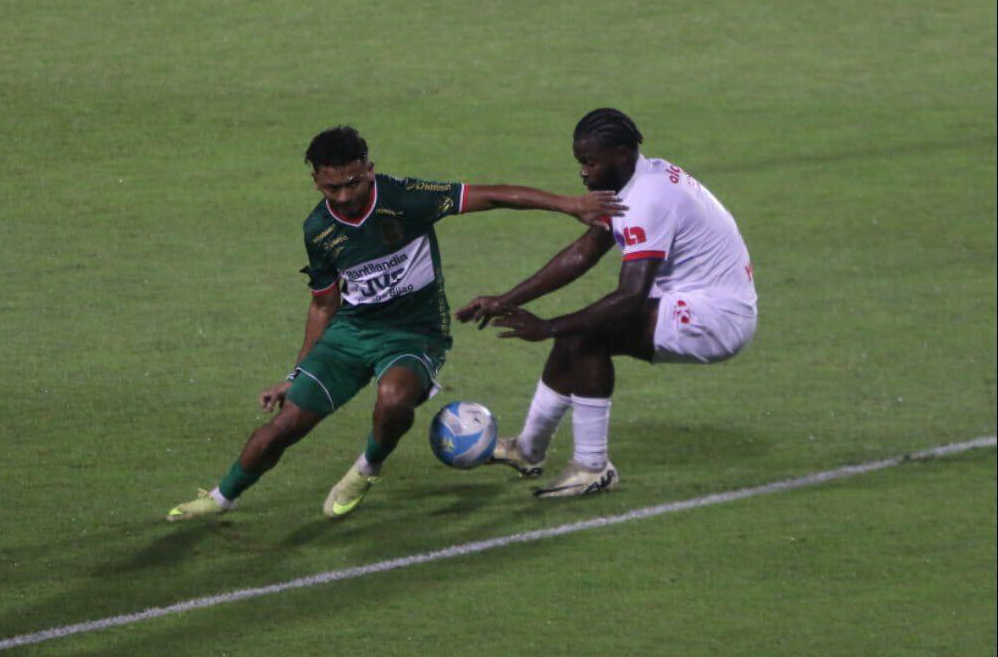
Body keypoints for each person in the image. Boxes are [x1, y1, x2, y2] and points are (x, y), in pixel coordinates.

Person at [167, 125, 624, 520]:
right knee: (283, 428)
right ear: (315, 183)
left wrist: (569, 204)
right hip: (350, 334)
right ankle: (221, 498)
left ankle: (366, 469)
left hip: (414, 335)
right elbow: (324, 305)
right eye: (332, 189)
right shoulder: (318, 231)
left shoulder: (404, 199)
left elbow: (492, 195)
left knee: (393, 397)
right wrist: (296, 374)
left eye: (352, 183)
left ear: (369, 169)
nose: (344, 197)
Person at [457, 108, 757, 497]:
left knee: (587, 335)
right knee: (577, 332)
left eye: (589, 162)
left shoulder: (648, 199)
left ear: (621, 154)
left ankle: (592, 466)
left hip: (718, 316)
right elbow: (584, 252)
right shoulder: (632, 180)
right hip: (693, 299)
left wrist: (547, 327)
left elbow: (631, 298)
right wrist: (505, 300)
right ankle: (528, 451)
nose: (583, 172)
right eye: (580, 162)